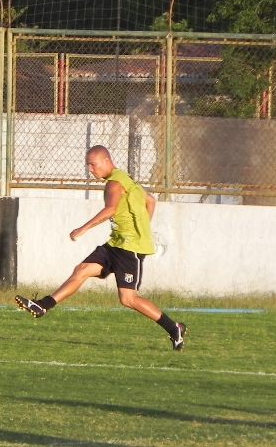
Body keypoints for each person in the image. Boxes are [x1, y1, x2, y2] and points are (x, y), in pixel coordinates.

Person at [15, 145, 187, 351]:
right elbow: (150, 201)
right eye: (88, 165)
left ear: (106, 161)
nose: (91, 169)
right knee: (82, 270)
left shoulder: (114, 183)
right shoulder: (125, 178)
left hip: (129, 249)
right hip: (115, 243)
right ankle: (43, 305)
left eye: (93, 165)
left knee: (128, 299)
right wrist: (142, 227)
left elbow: (111, 209)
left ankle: (174, 328)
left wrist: (83, 228)